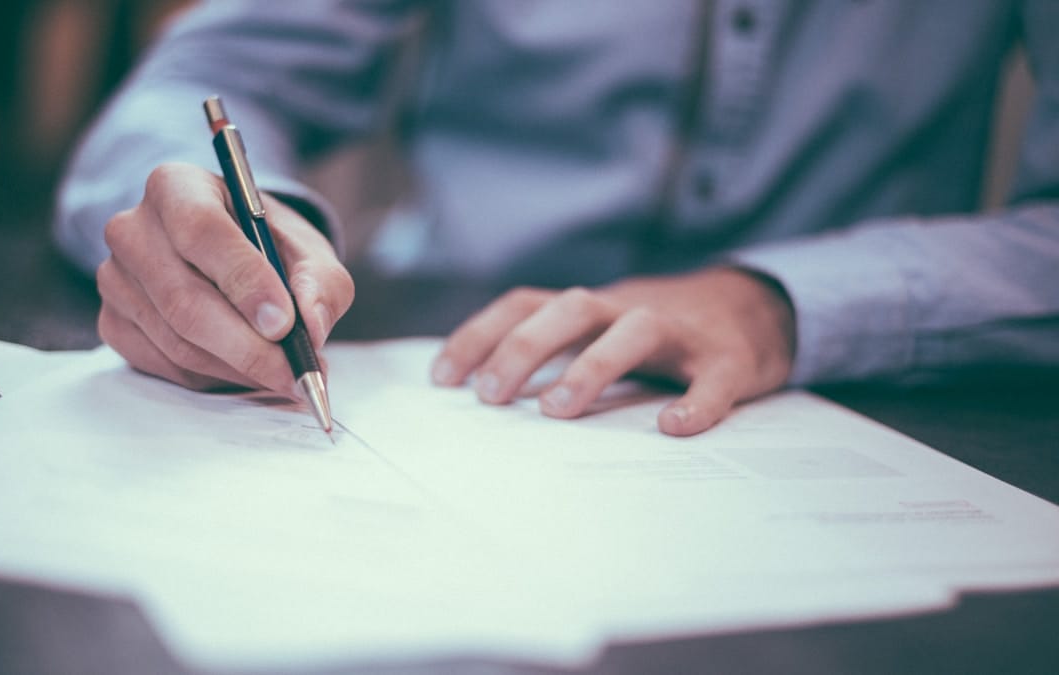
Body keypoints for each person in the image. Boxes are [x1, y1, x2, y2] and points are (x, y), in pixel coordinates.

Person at [55, 2, 1059, 436]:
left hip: (877, 397)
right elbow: (197, 83)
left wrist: (780, 304)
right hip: (447, 359)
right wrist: (207, 229)